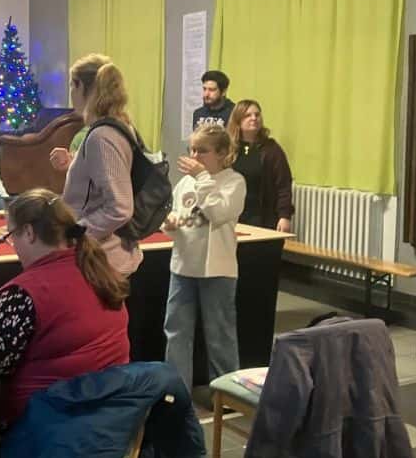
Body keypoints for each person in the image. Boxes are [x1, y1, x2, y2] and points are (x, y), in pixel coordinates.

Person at [0, 189, 130, 424]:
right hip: (112, 419)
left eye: (12, 236)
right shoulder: (101, 272)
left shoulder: (22, 294)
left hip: (45, 426)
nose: (13, 246)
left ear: (29, 233)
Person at [161, 124, 246, 390]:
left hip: (217, 270)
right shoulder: (185, 183)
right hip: (183, 265)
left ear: (221, 153)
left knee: (219, 334)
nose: (194, 156)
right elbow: (177, 215)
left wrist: (202, 178)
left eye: (202, 151)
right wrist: (170, 223)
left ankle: (227, 394)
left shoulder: (234, 181)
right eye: (192, 150)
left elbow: (217, 213)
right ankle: (178, 392)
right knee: (176, 331)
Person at [59, 54, 142, 277]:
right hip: (106, 255)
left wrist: (76, 235)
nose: (71, 93)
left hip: (102, 258)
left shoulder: (102, 136)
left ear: (80, 86)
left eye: (71, 85)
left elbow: (120, 207)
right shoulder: (120, 126)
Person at [227, 99, 294, 233]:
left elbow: (283, 185)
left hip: (263, 217)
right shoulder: (228, 148)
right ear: (238, 120)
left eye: (257, 115)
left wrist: (284, 216)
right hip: (233, 217)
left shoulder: (271, 149)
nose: (254, 118)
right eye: (248, 115)